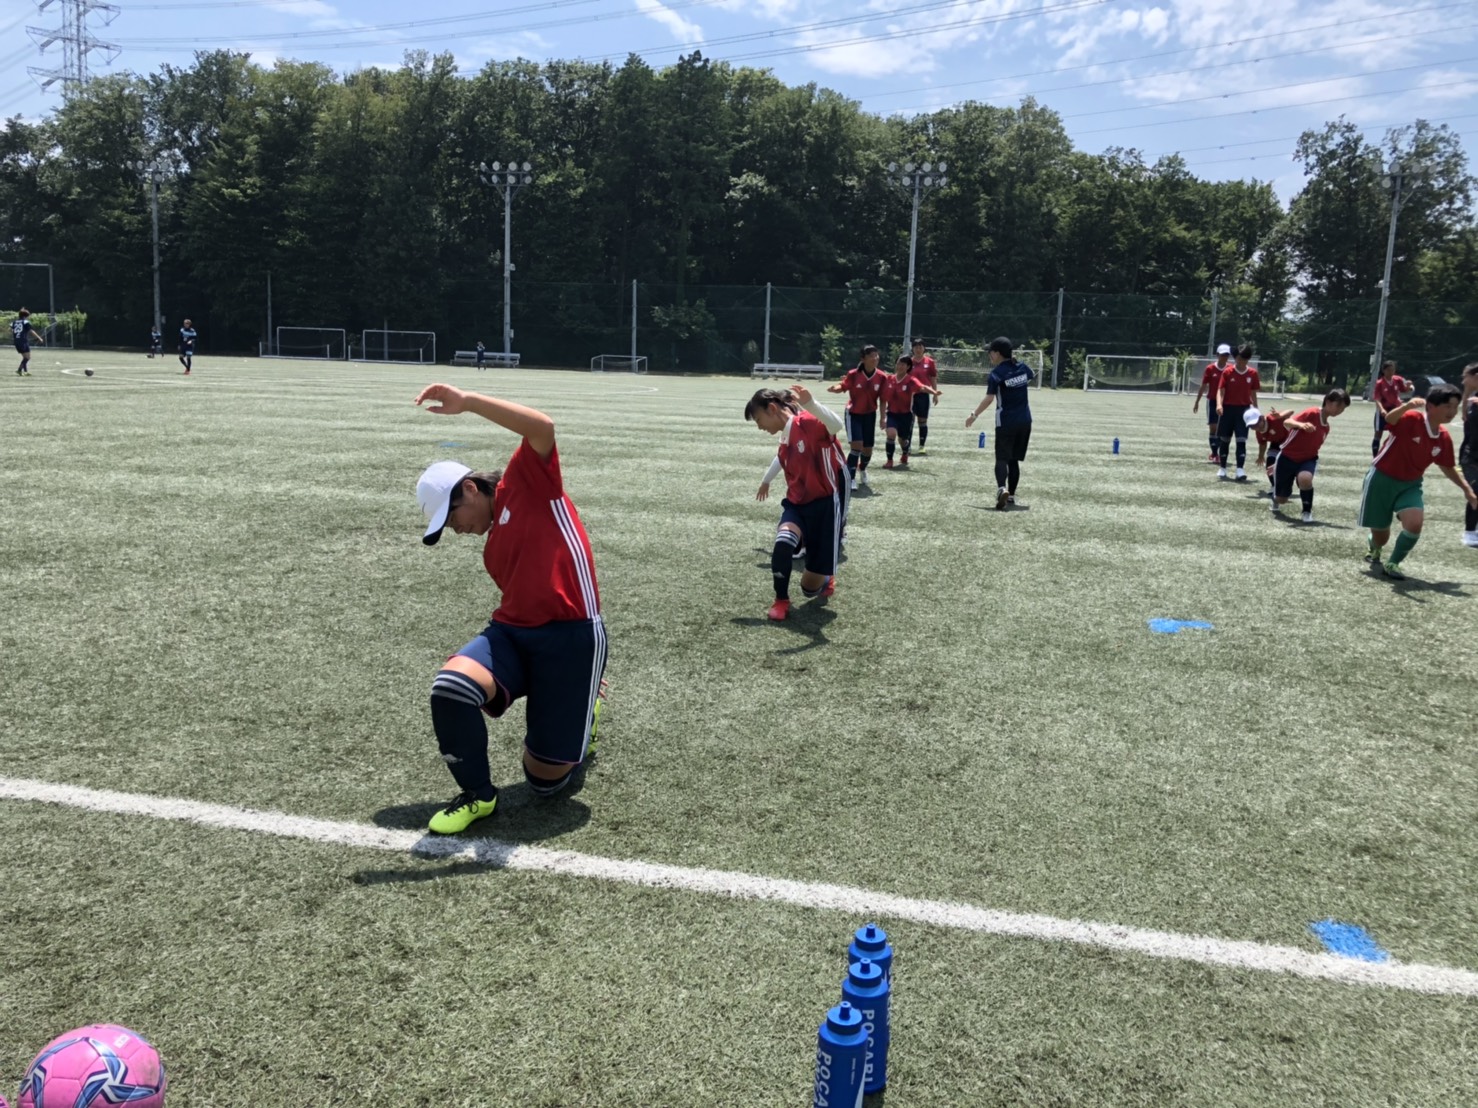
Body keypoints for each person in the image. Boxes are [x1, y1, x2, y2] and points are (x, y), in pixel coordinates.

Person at [412, 383, 607, 833]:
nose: (455, 530)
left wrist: (469, 402)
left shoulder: (525, 483)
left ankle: (587, 705)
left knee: (544, 783)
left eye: (451, 518)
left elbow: (542, 427)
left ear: (470, 489)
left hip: (571, 639)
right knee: (450, 687)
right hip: (513, 635)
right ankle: (478, 795)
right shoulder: (491, 552)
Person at [747, 383, 849, 621]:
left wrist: (811, 404)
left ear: (772, 409)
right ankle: (781, 599)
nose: (759, 426)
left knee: (809, 589)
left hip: (823, 506)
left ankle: (825, 576)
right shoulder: (784, 436)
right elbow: (780, 458)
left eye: (759, 419)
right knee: (783, 542)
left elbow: (836, 425)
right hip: (795, 505)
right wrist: (766, 481)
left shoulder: (808, 423)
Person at [1359, 384, 1478, 579]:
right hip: (1381, 479)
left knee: (1415, 524)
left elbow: (1447, 466)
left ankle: (1393, 563)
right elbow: (1389, 419)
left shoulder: (1443, 437)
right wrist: (1407, 406)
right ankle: (1375, 546)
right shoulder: (1412, 419)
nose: (1452, 412)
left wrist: (1467, 489)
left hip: (1411, 485)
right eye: (1447, 406)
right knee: (1382, 537)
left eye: (1455, 407)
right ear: (1430, 406)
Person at [964, 336, 1035, 510]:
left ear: (997, 353)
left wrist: (974, 415)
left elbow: (989, 398)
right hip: (1025, 421)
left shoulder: (996, 374)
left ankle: (1001, 488)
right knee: (1014, 460)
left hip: (1006, 422)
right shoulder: (1022, 367)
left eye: (990, 352)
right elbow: (1031, 375)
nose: (989, 355)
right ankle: (1010, 496)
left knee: (1002, 458)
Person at [1269, 389, 1350, 522]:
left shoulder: (1326, 427)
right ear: (1328, 402)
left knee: (1305, 478)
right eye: (1339, 406)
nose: (1341, 410)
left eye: (1343, 408)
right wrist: (1301, 424)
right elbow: (1287, 422)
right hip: (1287, 458)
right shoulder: (1312, 412)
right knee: (1282, 499)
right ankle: (1275, 498)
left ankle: (1306, 512)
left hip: (1307, 460)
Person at [828, 344, 887, 490]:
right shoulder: (853, 374)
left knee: (868, 450)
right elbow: (843, 386)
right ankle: (851, 479)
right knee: (857, 446)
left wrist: (883, 418)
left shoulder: (881, 377)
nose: (875, 358)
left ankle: (863, 468)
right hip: (853, 414)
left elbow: (883, 400)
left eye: (876, 355)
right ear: (863, 359)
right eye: (871, 356)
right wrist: (835, 388)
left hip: (870, 415)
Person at [882, 355, 939, 468]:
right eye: (898, 363)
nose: (900, 366)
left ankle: (905, 452)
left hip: (906, 415)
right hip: (892, 413)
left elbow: (922, 387)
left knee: (902, 440)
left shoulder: (910, 380)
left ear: (908, 367)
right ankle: (889, 460)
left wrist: (934, 392)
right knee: (891, 434)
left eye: (903, 364)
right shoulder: (889, 379)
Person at [1214, 344, 1261, 480]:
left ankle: (1240, 470)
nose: (1241, 362)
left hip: (1244, 411)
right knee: (1225, 440)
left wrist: (1256, 409)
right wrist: (1219, 405)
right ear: (1235, 358)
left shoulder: (1253, 373)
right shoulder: (1227, 372)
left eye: (1244, 359)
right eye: (1239, 359)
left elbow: (1253, 393)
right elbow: (1220, 391)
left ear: (1248, 359)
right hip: (1227, 410)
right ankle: (1223, 468)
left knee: (1241, 440)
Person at [1193, 343, 1231, 462]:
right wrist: (1197, 401)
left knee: (1222, 428)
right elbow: (1203, 385)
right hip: (1212, 401)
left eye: (1227, 355)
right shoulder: (1210, 369)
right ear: (1217, 355)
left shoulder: (1231, 369)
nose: (1225, 357)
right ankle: (1215, 453)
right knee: (1213, 427)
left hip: (1227, 402)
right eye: (1223, 354)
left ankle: (1219, 452)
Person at [1370, 360, 1409, 456]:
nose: (1391, 372)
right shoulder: (1380, 383)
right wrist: (1382, 409)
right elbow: (1377, 399)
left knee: (1397, 432)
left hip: (1395, 410)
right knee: (1378, 433)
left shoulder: (1398, 379)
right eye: (1388, 370)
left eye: (1392, 370)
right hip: (1383, 411)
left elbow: (1405, 389)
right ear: (1384, 370)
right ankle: (1375, 457)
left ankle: (1393, 455)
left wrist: (1409, 387)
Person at [1251, 407, 1293, 495]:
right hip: (1276, 444)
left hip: (1291, 443)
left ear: (1262, 418)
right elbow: (1263, 444)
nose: (1255, 427)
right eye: (1252, 426)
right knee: (1270, 463)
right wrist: (1261, 456)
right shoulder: (1258, 432)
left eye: (1256, 423)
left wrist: (1281, 415)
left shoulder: (1274, 418)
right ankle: (1275, 486)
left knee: (1291, 469)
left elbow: (1291, 411)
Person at [908, 338, 939, 454]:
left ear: (924, 348)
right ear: (912, 348)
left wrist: (935, 393)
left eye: (920, 347)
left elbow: (933, 378)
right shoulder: (908, 362)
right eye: (916, 347)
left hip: (924, 395)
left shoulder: (929, 362)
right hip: (910, 396)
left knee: (922, 421)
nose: (918, 349)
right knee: (909, 421)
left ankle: (921, 446)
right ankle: (907, 447)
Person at [1460, 362, 1478, 547]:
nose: (1463, 380)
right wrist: (1467, 391)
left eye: (1466, 376)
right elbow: (1464, 417)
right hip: (1471, 456)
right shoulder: (1473, 401)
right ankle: (1469, 532)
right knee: (1476, 492)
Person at [11, 307, 42, 376]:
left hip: (16, 341)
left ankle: (25, 371)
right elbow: (31, 331)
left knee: (25, 357)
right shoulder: (25, 322)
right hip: (23, 341)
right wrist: (39, 338)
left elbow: (11, 330)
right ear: (25, 316)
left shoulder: (14, 322)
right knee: (27, 357)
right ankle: (19, 370)